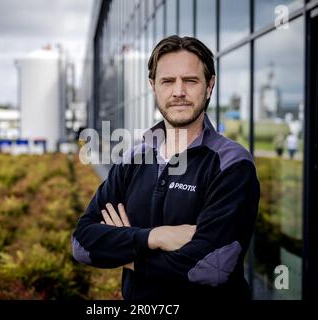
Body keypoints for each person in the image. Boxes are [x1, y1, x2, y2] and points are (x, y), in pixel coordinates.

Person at [72, 36, 260, 301]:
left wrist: (124, 249)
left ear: (209, 86)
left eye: (190, 80)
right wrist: (156, 237)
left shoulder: (231, 164)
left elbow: (211, 267)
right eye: (168, 81)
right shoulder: (131, 159)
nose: (178, 91)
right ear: (153, 86)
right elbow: (82, 244)